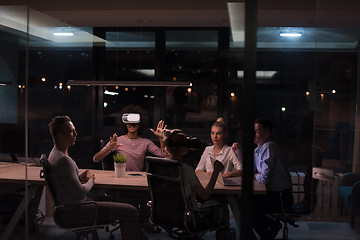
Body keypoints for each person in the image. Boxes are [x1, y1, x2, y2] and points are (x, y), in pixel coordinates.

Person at [47, 115, 140, 240]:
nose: (76, 134)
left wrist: (79, 178)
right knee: (131, 211)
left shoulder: (54, 155)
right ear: (59, 135)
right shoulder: (64, 160)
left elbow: (67, 184)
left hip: (71, 208)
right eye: (71, 131)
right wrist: (91, 180)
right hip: (77, 211)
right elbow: (81, 191)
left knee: (123, 208)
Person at [162, 128, 235, 240]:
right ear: (184, 149)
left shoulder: (160, 167)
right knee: (222, 203)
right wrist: (216, 172)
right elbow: (205, 195)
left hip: (165, 214)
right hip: (190, 218)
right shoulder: (186, 170)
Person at [249, 117, 293, 240]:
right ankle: (269, 231)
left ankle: (270, 230)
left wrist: (254, 175)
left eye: (257, 131)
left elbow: (264, 179)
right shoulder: (258, 149)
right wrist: (239, 153)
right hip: (275, 195)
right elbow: (251, 171)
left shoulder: (268, 147)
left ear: (267, 133)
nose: (254, 134)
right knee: (245, 205)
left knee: (246, 208)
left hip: (281, 198)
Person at [93, 105, 165, 171]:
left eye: (135, 121)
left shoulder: (146, 143)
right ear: (125, 123)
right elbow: (96, 159)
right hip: (121, 178)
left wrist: (161, 138)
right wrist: (109, 147)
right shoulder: (117, 141)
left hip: (137, 179)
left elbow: (163, 156)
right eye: (129, 121)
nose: (132, 124)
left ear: (140, 123)